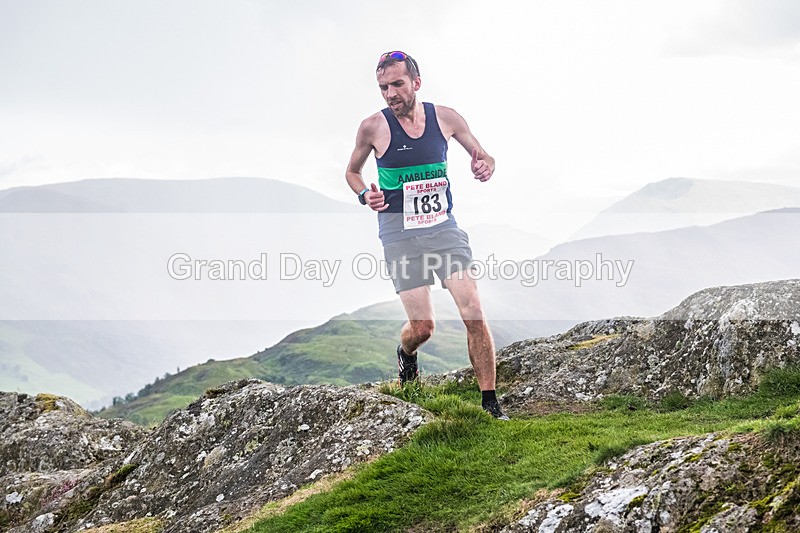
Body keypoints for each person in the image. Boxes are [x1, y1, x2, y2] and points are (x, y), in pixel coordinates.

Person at [345, 51, 508, 420]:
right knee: (423, 328)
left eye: (397, 84)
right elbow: (352, 172)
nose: (390, 93)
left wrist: (485, 165)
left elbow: (485, 156)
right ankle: (406, 354)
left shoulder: (446, 118)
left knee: (473, 310)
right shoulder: (372, 127)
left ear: (416, 83)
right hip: (399, 234)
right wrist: (364, 194)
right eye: (383, 87)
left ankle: (490, 403)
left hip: (442, 228)